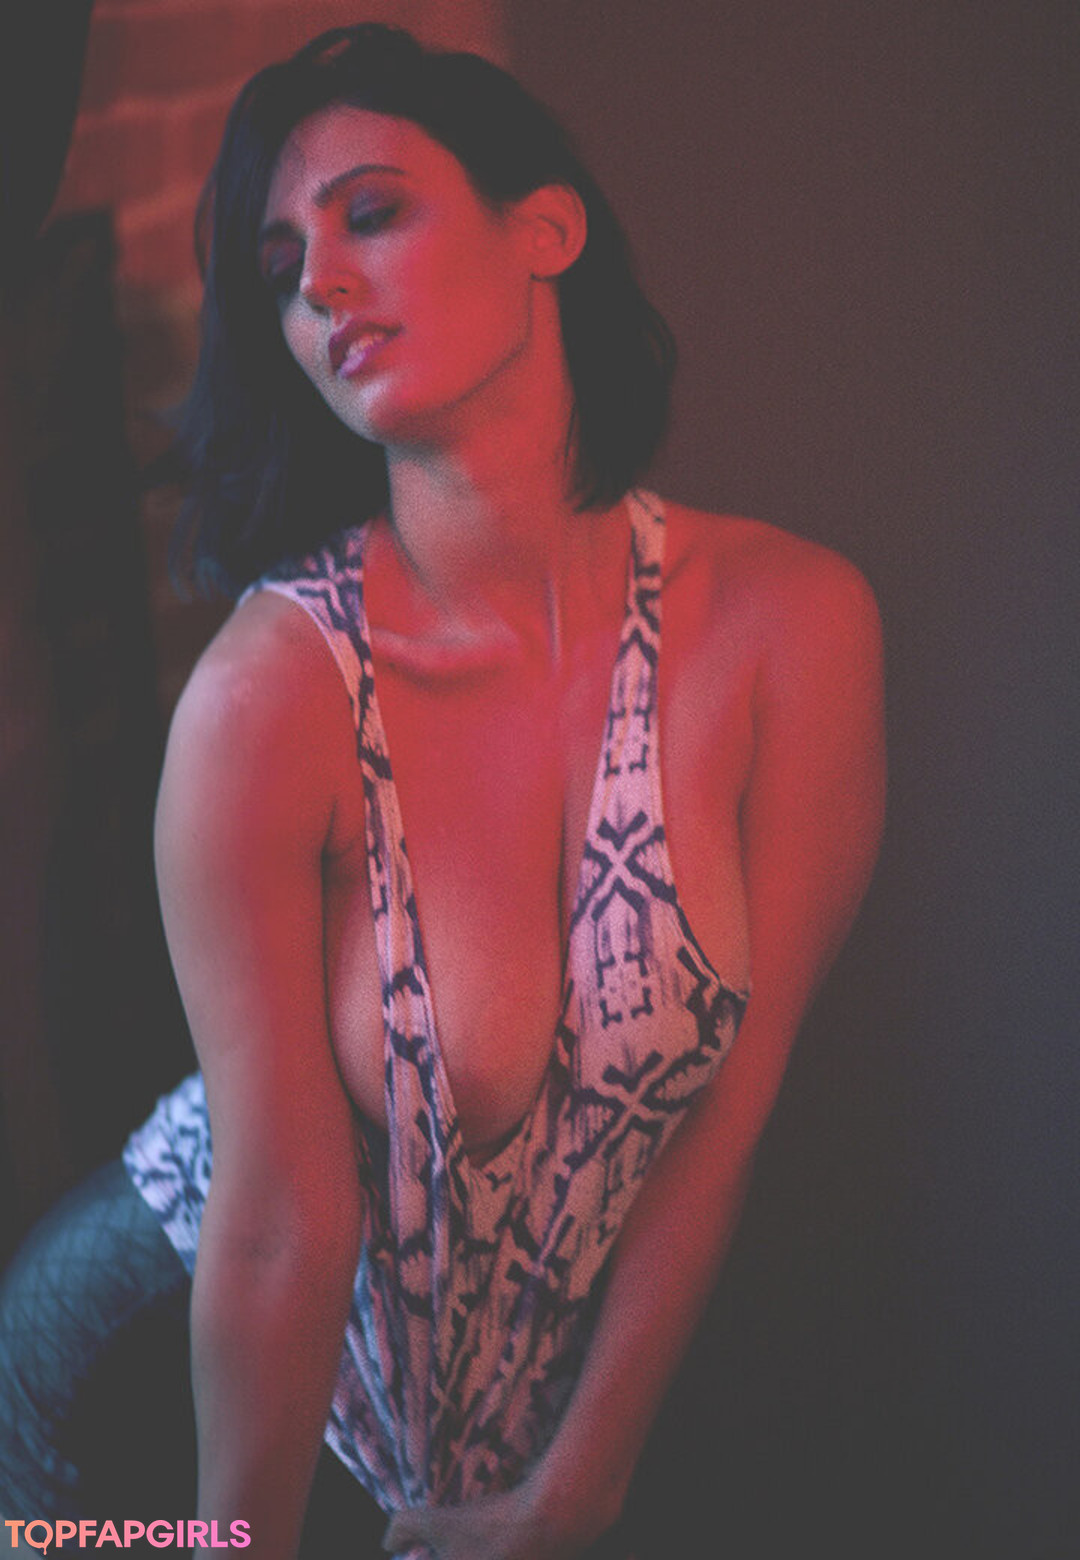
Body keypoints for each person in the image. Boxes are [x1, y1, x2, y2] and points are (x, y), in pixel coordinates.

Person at [0, 23, 885, 1560]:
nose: (322, 287)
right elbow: (275, 1224)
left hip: (507, 1446)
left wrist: (577, 1490)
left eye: (373, 212)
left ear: (546, 228)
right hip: (140, 1408)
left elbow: (726, 1110)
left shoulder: (793, 629)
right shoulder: (269, 698)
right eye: (283, 270)